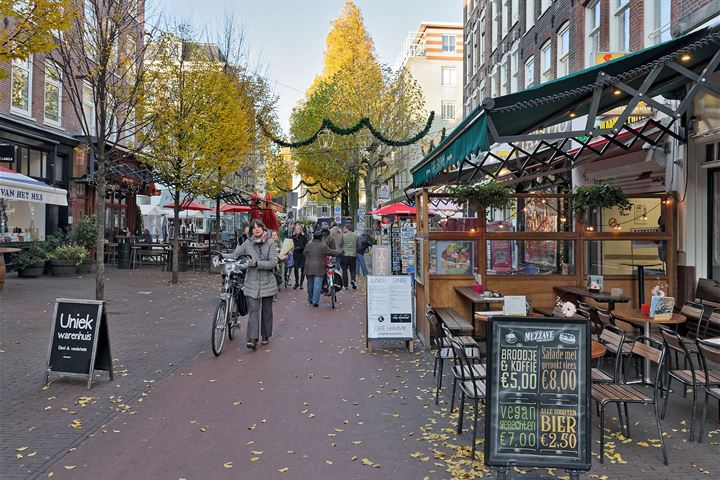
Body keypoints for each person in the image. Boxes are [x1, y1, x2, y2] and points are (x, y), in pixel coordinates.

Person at [227, 219, 278, 350]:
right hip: (252, 282)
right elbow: (235, 254)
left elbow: (273, 262)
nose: (256, 229)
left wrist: (257, 264)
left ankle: (266, 335)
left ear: (263, 228)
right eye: (254, 228)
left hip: (267, 281)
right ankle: (252, 339)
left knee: (267, 311)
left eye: (259, 227)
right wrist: (222, 257)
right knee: (254, 311)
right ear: (251, 231)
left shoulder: (270, 242)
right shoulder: (247, 243)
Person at [304, 231, 342, 307]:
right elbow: (331, 252)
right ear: (321, 238)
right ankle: (315, 302)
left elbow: (304, 253)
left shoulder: (308, 245)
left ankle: (310, 299)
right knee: (317, 285)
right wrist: (340, 252)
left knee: (310, 284)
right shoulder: (323, 246)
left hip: (308, 267)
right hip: (319, 267)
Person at [340, 224, 358, 289]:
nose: (343, 229)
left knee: (344, 271)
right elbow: (358, 245)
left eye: (344, 228)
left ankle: (345, 285)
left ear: (347, 228)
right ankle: (353, 279)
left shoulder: (343, 236)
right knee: (353, 270)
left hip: (344, 255)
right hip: (353, 255)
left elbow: (340, 244)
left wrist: (342, 249)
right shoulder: (356, 236)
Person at [291, 224, 308, 289]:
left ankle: (301, 283)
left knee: (303, 270)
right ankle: (296, 283)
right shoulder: (292, 237)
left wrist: (300, 248)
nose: (296, 230)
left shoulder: (304, 237)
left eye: (298, 229)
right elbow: (290, 245)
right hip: (295, 255)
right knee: (295, 269)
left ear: (300, 230)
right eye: (295, 229)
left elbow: (306, 246)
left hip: (302, 255)